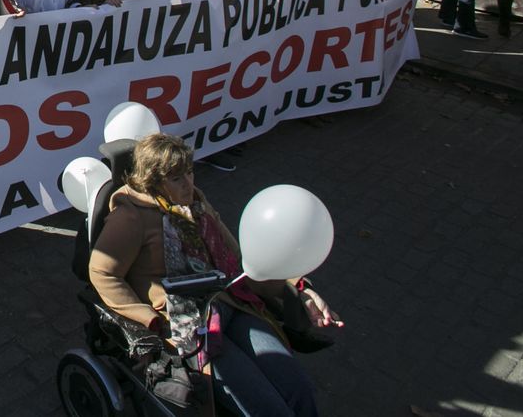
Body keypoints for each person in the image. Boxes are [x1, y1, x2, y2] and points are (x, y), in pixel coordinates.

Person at [88, 133, 339, 416]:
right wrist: (149, 319)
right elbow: (102, 272)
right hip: (187, 321)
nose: (189, 184)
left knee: (298, 388)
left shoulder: (195, 202)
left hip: (226, 301)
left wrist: (298, 288)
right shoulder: (130, 217)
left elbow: (240, 258)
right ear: (153, 180)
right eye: (177, 178)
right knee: (267, 407)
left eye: (190, 172)